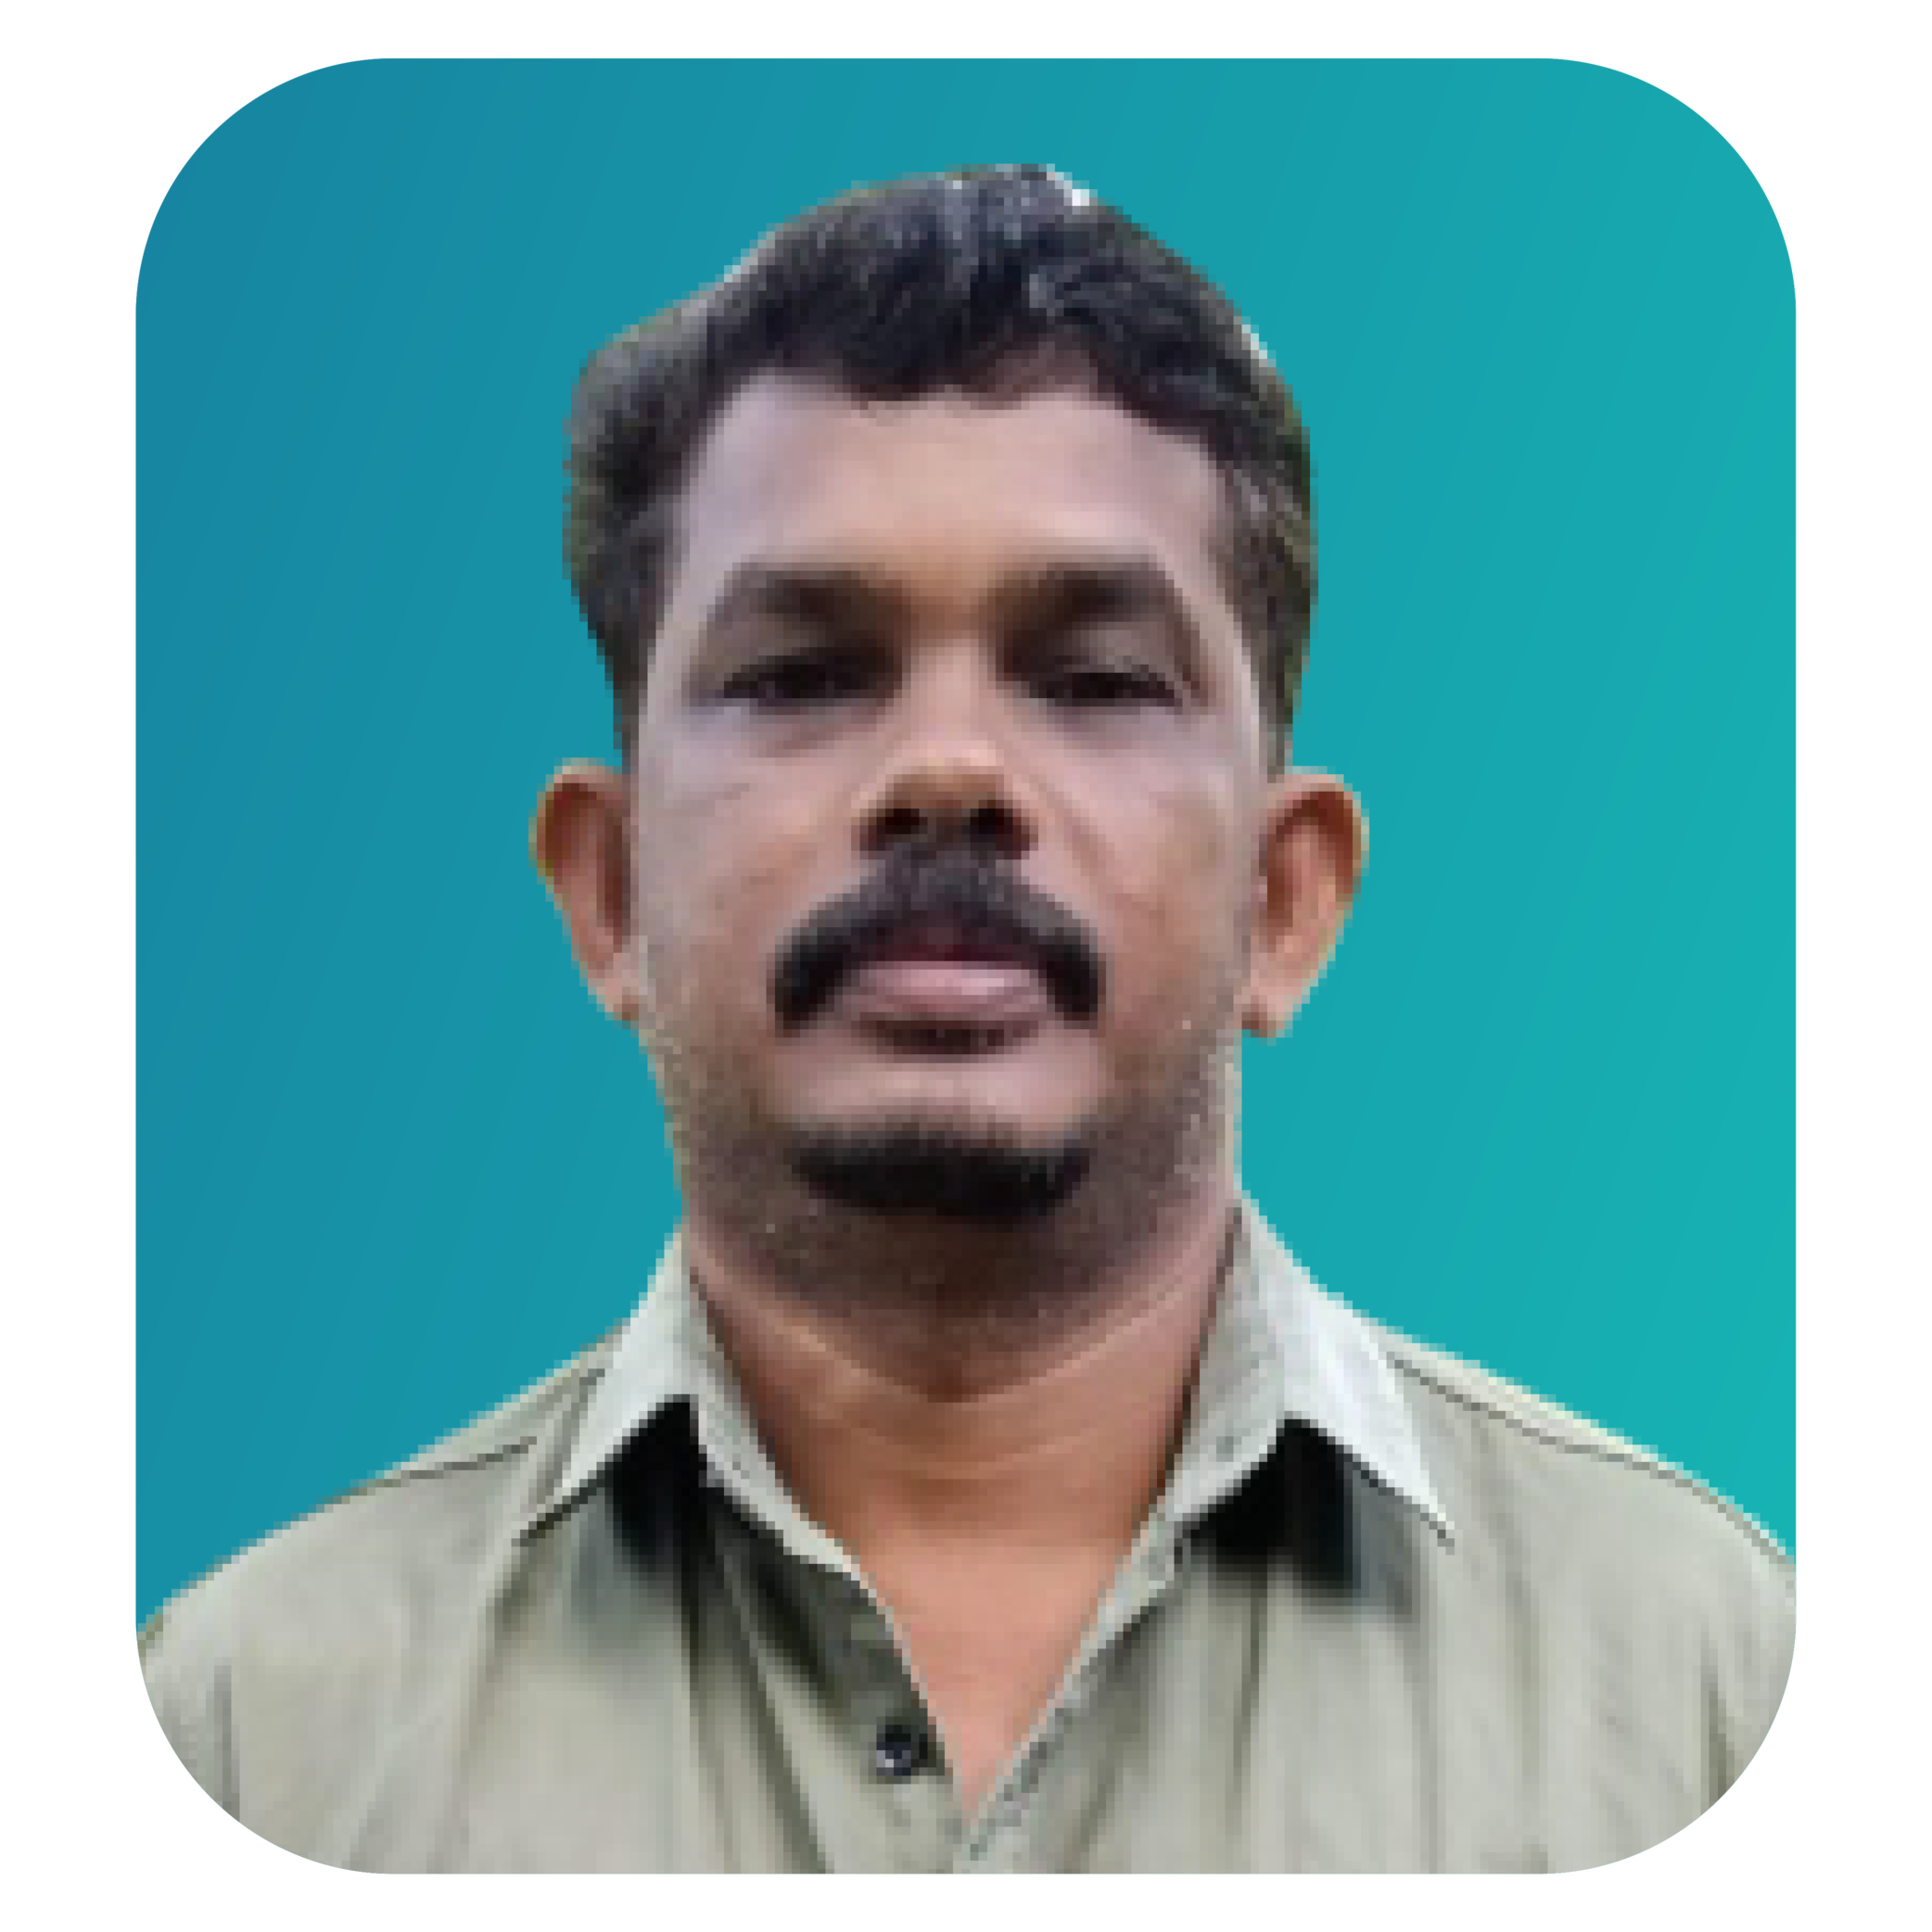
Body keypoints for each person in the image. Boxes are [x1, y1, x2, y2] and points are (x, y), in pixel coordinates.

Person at [138, 163, 1794, 1875]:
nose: (948, 769)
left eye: (1093, 679)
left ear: (1283, 900)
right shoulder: (258, 1736)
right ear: (612, 892)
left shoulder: (1702, 1693)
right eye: (802, 672)